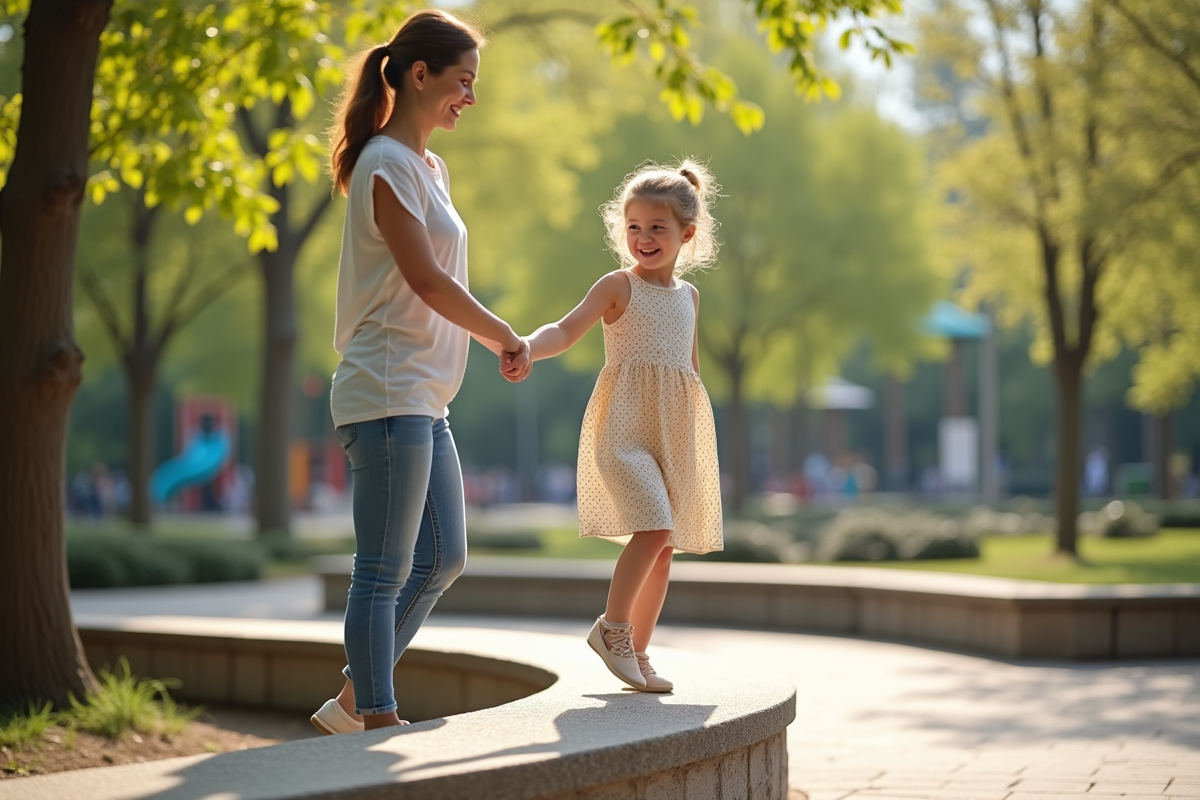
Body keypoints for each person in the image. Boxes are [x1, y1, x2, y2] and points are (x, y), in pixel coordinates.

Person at [310, 9, 528, 735]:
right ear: (419, 73)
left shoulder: (429, 166)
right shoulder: (385, 164)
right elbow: (427, 281)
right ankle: (376, 716)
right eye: (463, 81)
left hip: (423, 397)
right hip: (385, 391)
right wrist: (505, 335)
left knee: (443, 559)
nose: (471, 95)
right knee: (382, 569)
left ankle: (351, 702)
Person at [509, 160, 724, 692]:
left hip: (671, 434)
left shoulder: (690, 298)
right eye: (634, 227)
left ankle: (639, 653)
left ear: (686, 234)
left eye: (658, 228)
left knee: (664, 547)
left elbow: (689, 374)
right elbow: (565, 328)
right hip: (623, 432)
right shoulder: (617, 288)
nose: (644, 238)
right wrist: (528, 348)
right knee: (652, 527)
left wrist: (694, 447)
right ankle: (614, 631)